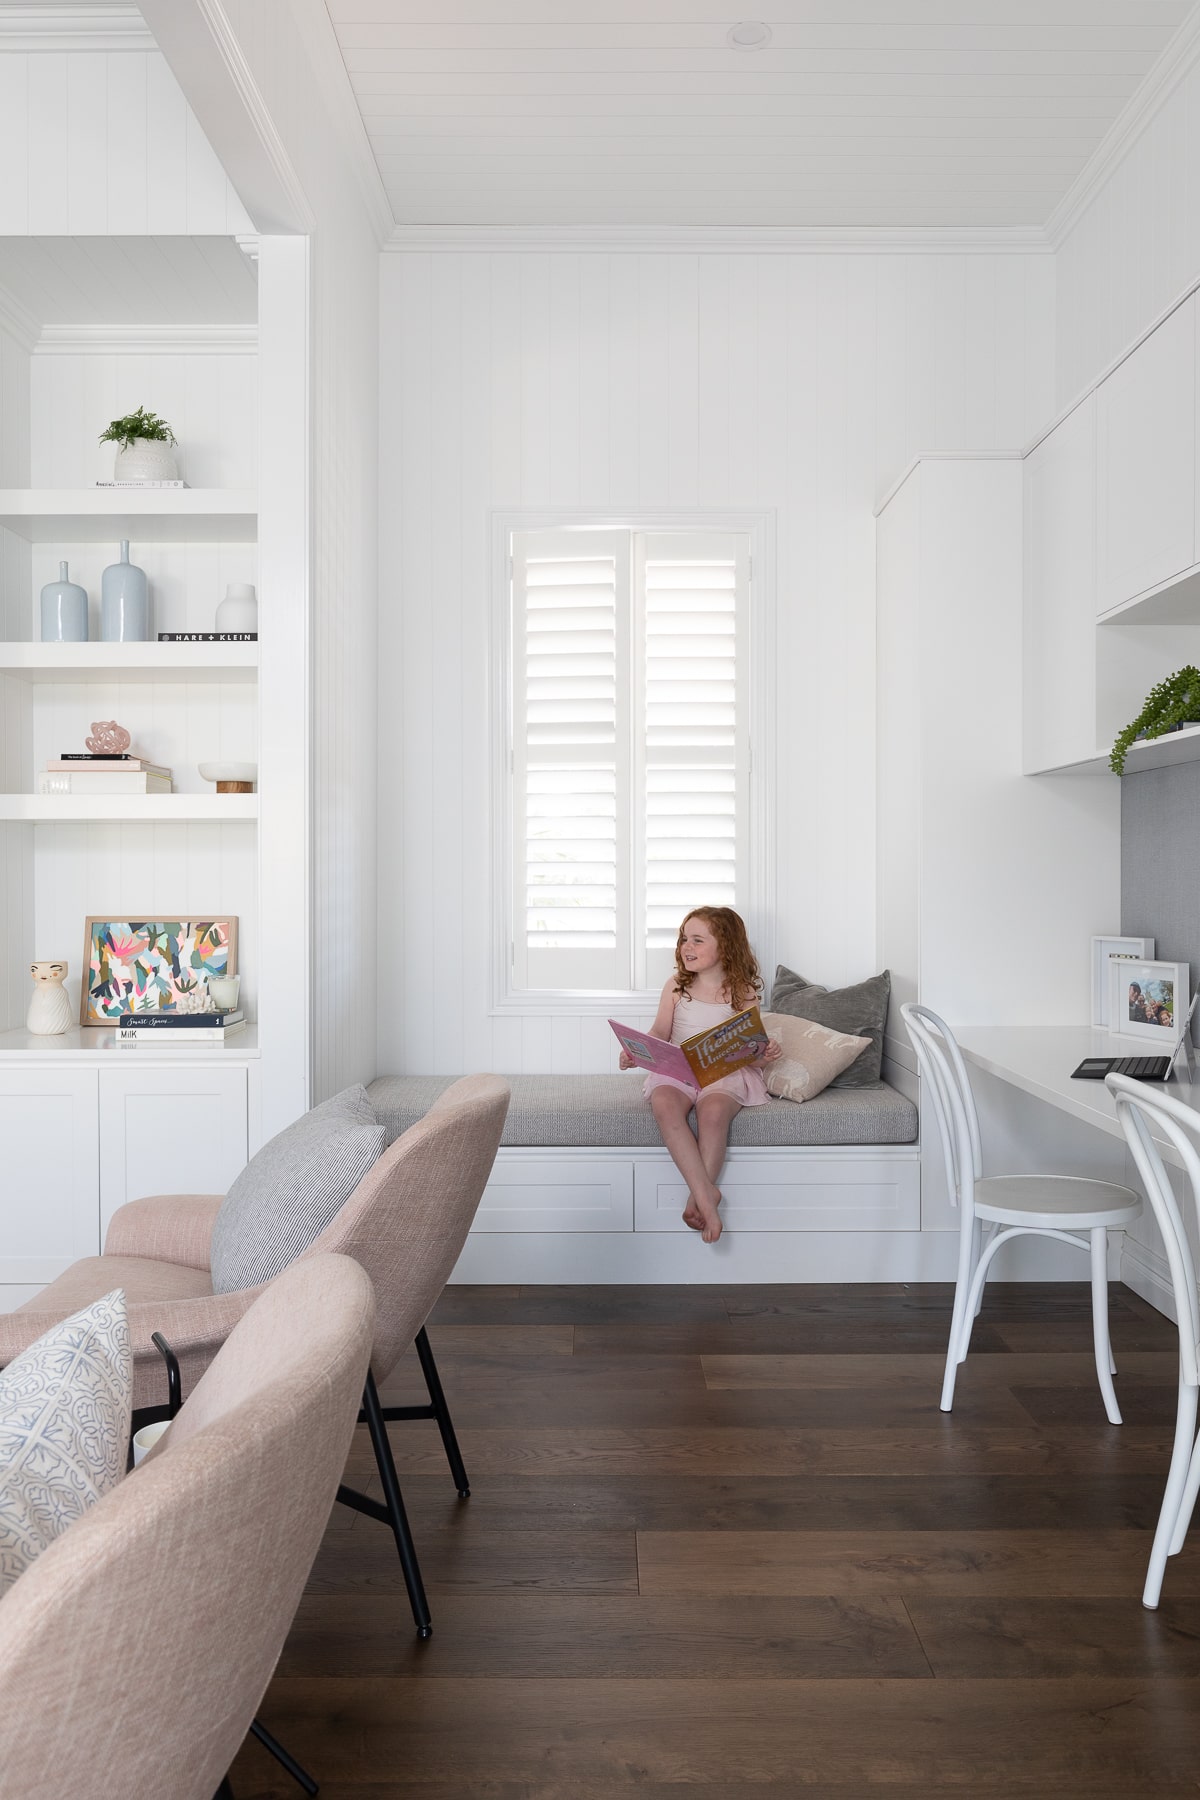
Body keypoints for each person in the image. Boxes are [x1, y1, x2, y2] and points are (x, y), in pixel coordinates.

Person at [618, 907, 781, 1244]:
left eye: (697, 940)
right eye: (683, 939)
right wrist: (637, 1052)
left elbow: (751, 1048)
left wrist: (765, 1055)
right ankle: (708, 1196)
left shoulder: (743, 992)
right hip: (679, 1071)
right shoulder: (677, 987)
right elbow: (660, 1032)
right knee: (663, 1103)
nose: (685, 947)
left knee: (714, 1112)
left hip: (725, 1073)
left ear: (726, 946)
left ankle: (699, 1198)